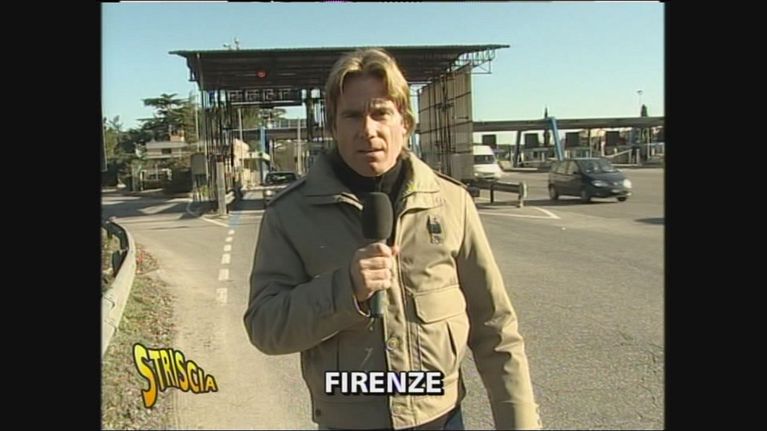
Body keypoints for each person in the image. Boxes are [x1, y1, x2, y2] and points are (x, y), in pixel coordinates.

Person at [244, 48, 541, 430]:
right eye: (352, 115)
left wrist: (519, 422)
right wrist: (345, 290)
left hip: (440, 418)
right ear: (333, 126)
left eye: (381, 113)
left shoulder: (451, 202)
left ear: (405, 123)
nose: (368, 130)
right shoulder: (290, 214)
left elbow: (495, 328)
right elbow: (265, 328)